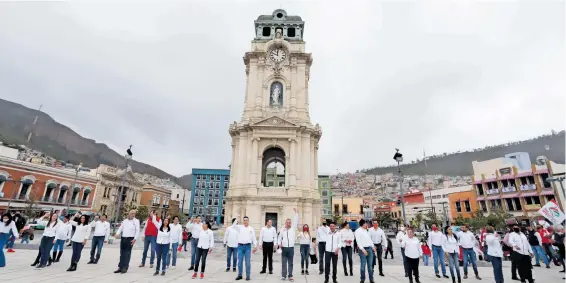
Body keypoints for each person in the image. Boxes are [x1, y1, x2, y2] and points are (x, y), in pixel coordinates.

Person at [114, 209, 140, 274]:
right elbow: (120, 228)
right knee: (122, 253)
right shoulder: (125, 221)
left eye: (134, 213)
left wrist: (135, 239)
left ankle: (125, 267)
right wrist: (117, 233)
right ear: (129, 214)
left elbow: (137, 231)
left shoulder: (136, 221)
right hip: (123, 238)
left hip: (130, 239)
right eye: (132, 213)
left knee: (127, 253)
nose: (133, 215)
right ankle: (120, 267)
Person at [233, 216, 258, 281]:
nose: (245, 221)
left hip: (248, 247)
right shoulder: (240, 227)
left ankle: (248, 276)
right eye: (244, 220)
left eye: (246, 220)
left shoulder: (251, 229)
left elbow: (254, 239)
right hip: (240, 247)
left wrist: (255, 246)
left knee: (247, 262)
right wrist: (237, 219)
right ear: (243, 221)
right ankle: (240, 275)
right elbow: (234, 225)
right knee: (240, 262)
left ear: (248, 221)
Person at [278, 208, 299, 281]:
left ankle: (290, 276)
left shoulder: (293, 228)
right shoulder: (282, 229)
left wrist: (296, 213)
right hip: (284, 248)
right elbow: (279, 238)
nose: (288, 223)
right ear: (285, 223)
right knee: (284, 263)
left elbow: (296, 220)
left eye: (289, 222)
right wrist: (279, 243)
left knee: (290, 263)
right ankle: (283, 276)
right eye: (287, 222)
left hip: (291, 248)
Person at [355, 219, 376, 283]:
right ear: (362, 224)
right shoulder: (358, 231)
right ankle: (362, 279)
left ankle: (371, 279)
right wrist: (363, 250)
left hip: (369, 249)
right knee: (363, 265)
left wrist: (373, 246)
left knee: (370, 266)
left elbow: (369, 240)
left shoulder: (367, 230)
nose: (367, 225)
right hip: (362, 250)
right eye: (365, 223)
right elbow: (358, 241)